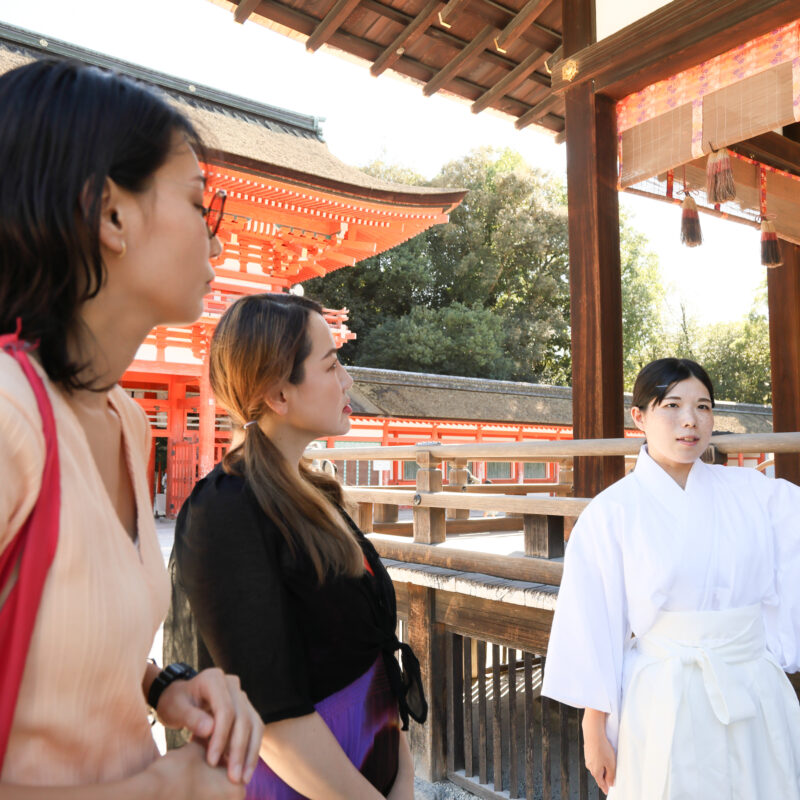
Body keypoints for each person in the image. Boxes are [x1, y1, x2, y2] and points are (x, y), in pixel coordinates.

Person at [0, 59, 263, 799]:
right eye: (198, 204)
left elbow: (63, 647)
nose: (218, 243)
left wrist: (162, 686)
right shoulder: (9, 419)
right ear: (111, 215)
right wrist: (166, 790)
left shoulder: (123, 421)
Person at [167, 293, 426, 799]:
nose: (347, 381)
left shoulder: (311, 490)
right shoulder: (226, 511)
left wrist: (405, 770)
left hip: (370, 764)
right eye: (331, 366)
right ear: (278, 395)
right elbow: (271, 714)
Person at [542, 357, 800, 798]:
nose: (690, 421)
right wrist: (594, 730)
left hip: (750, 684)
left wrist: (768, 651)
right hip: (663, 693)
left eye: (703, 407)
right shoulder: (612, 512)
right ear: (639, 416)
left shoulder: (755, 493)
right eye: (672, 405)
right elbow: (594, 622)